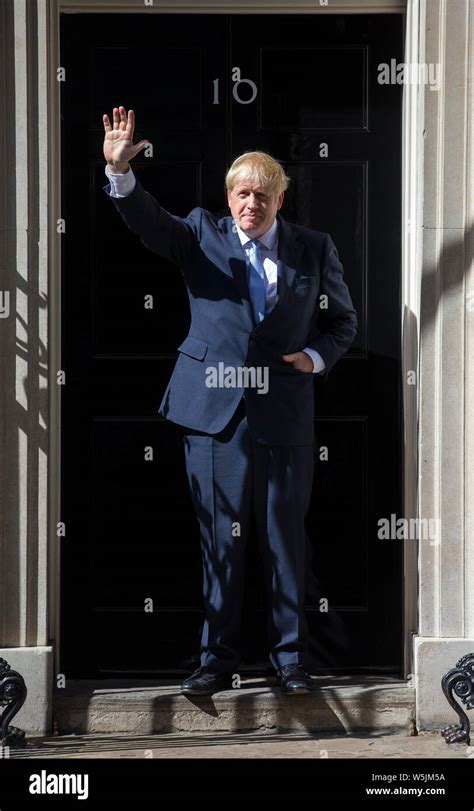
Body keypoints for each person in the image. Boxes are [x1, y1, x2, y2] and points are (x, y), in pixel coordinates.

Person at [102, 106, 358, 696]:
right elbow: (148, 222)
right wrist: (120, 173)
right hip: (213, 416)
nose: (251, 203)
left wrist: (314, 358)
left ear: (279, 200)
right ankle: (214, 662)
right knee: (222, 540)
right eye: (242, 193)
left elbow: (343, 322)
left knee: (282, 539)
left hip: (284, 412)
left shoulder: (314, 249)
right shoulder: (199, 233)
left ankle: (291, 662)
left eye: (262, 194)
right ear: (229, 197)